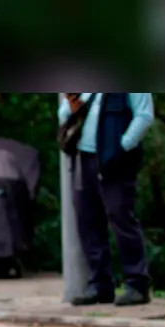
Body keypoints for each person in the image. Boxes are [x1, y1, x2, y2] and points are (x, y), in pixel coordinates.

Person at [58, 93, 155, 306]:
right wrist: (71, 108)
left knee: (121, 218)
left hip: (116, 161)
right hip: (84, 158)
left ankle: (137, 284)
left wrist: (122, 146)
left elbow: (145, 116)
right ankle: (100, 285)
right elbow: (62, 113)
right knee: (87, 220)